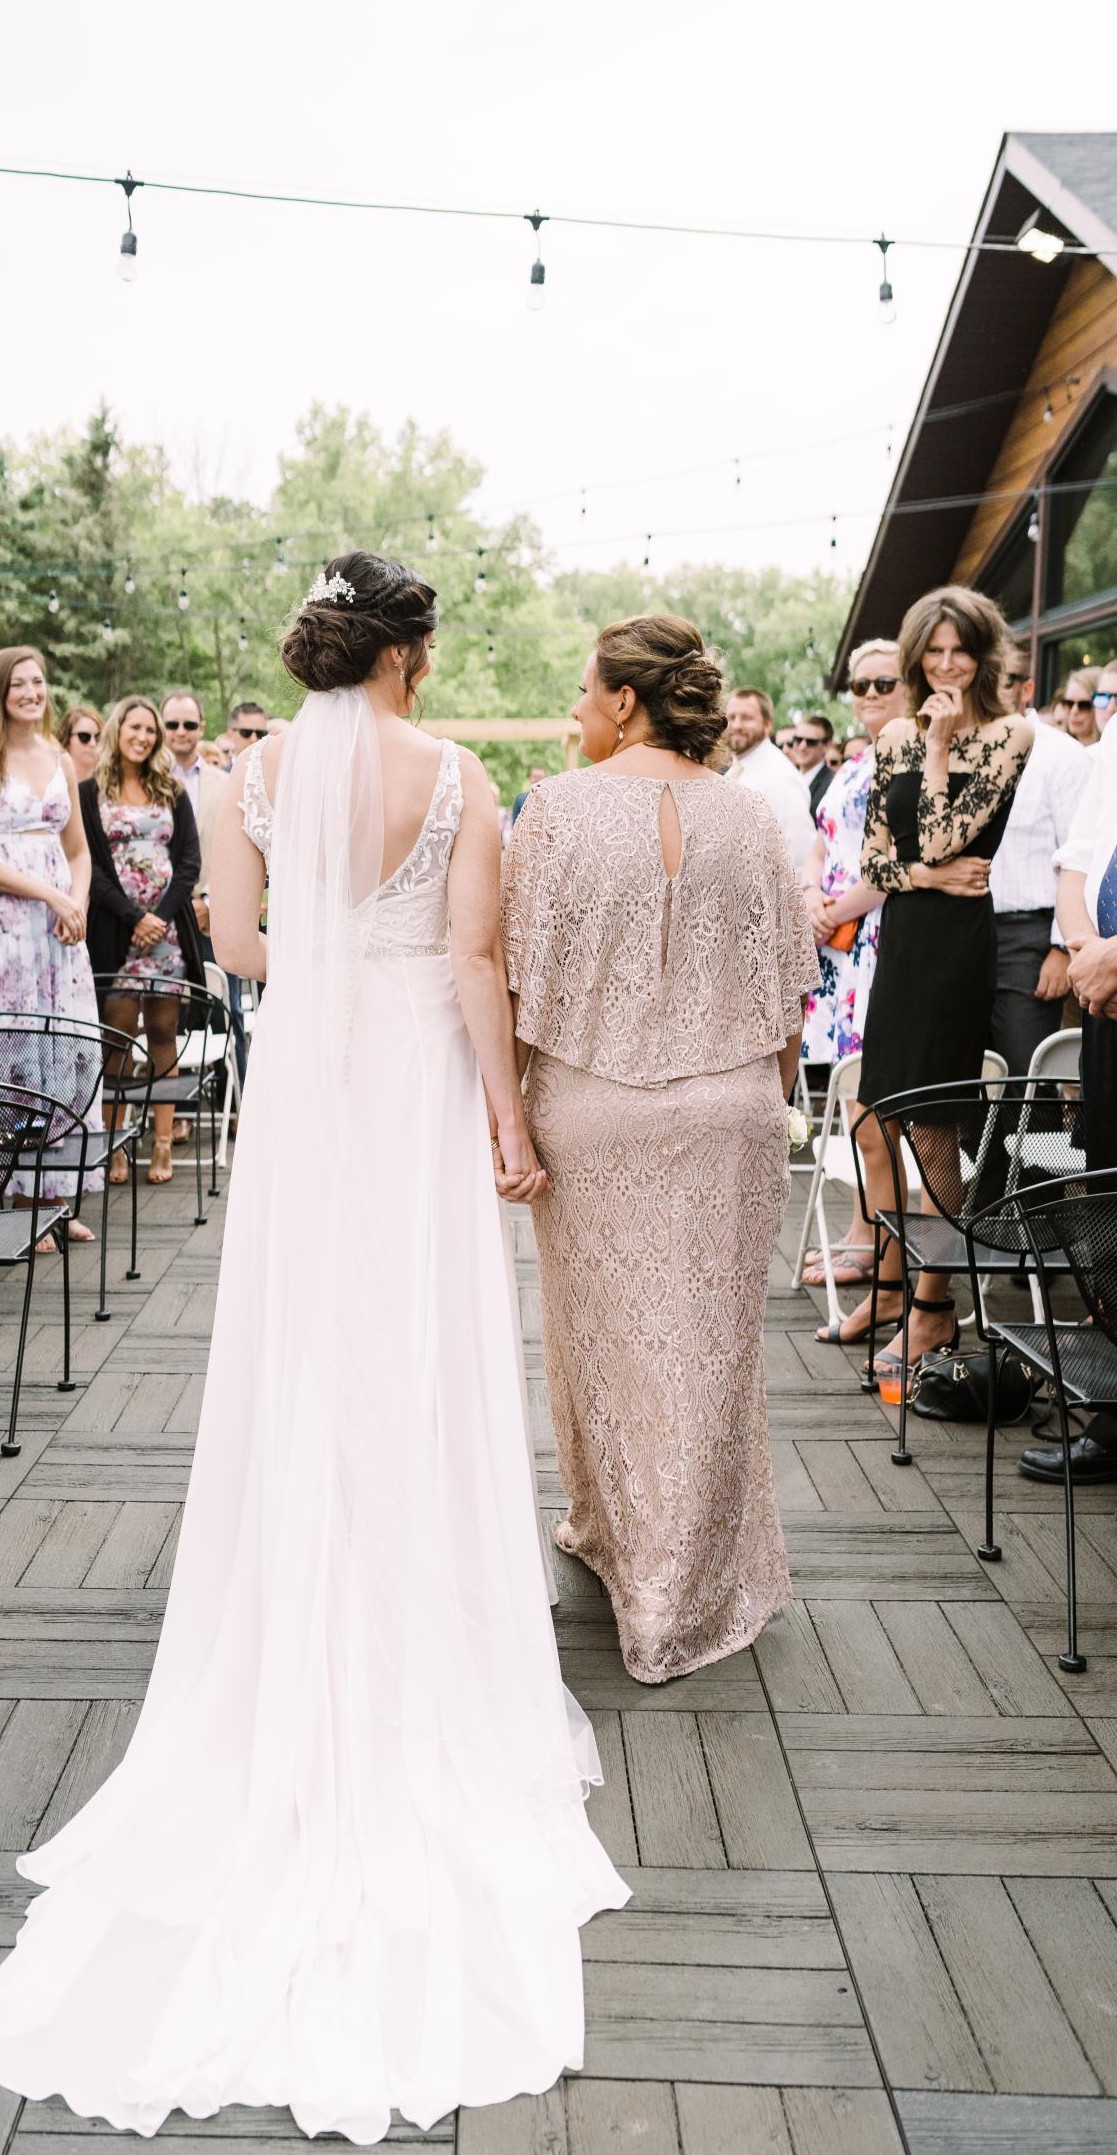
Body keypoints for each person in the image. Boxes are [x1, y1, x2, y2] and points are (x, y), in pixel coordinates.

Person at [0, 549, 628, 2138]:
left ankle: (296, 1612)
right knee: (420, 1337)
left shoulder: (246, 777)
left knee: (309, 1338)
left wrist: (329, 955)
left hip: (313, 1075)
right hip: (420, 1080)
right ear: (410, 652)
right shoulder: (459, 779)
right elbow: (476, 965)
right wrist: (510, 1121)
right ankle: (417, 1620)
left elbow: (239, 952)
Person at [504, 613, 813, 1683]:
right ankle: (674, 1573)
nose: (576, 708)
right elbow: (789, 992)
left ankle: (642, 1569)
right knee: (713, 1354)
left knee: (606, 1342)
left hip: (592, 1109)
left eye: (586, 690)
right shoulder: (752, 814)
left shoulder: (554, 809)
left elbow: (519, 982)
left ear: (626, 699)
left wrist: (506, 1119)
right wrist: (762, 1104)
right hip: (732, 1109)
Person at [842, 585, 1032, 1372]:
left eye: (961, 650)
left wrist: (943, 745)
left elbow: (944, 833)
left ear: (984, 656)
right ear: (918, 656)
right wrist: (925, 876)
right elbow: (878, 860)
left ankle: (934, 1308)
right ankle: (890, 1288)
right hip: (907, 937)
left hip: (958, 948)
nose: (947, 665)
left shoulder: (1010, 735)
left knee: (933, 1128)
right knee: (876, 1115)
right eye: (934, 651)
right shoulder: (892, 735)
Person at [0, 647, 100, 1236]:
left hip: (58, 935)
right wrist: (48, 895)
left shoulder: (59, 756)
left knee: (58, 1053)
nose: (32, 692)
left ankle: (51, 1199)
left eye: (38, 682)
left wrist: (75, 902)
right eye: (18, 684)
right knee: (9, 1057)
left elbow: (79, 850)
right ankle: (4, 1203)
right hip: (1, 932)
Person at [797, 640, 903, 1290]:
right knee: (847, 1096)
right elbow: (821, 842)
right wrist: (811, 895)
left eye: (882, 683)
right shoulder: (856, 761)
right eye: (859, 685)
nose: (867, 694)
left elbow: (895, 864)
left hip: (876, 941)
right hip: (836, 941)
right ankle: (862, 1230)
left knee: (871, 1103)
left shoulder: (910, 756)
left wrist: (835, 909)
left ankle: (878, 1242)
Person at [1030, 712, 1117, 1484]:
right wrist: (1091, 954)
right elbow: (1080, 860)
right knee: (1110, 1196)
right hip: (1105, 1000)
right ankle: (1114, 1421)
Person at [80, 696, 204, 1186]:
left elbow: (189, 862)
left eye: (150, 730)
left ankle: (162, 1141)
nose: (143, 736)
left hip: (166, 933)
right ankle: (115, 1143)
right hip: (116, 929)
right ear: (118, 730)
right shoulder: (90, 792)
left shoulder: (171, 790)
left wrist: (160, 917)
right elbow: (89, 865)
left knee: (162, 1032)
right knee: (116, 1034)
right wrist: (133, 917)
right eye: (135, 727)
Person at [987, 643, 1089, 1078]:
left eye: (999, 679)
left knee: (1025, 1076)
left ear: (1026, 688)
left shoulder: (1061, 754)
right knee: (963, 1079)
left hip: (1030, 940)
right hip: (964, 932)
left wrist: (1062, 948)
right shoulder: (957, 748)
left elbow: (1079, 855)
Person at [162, 688, 245, 1088]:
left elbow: (235, 846)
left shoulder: (224, 782)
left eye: (189, 724)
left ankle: (237, 1101)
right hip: (162, 914)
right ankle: (178, 1106)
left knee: (226, 1009)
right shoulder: (145, 781)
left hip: (214, 912)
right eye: (172, 724)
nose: (181, 731)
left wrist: (209, 898)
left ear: (202, 727)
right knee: (169, 1016)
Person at [724, 686, 815, 868]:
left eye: (747, 718)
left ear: (767, 725)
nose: (736, 725)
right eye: (731, 718)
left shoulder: (781, 777)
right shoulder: (733, 772)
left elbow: (800, 855)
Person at [786, 712, 837, 818]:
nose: (802, 746)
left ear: (827, 746)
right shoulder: (787, 779)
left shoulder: (833, 783)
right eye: (798, 740)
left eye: (811, 742)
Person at [57, 705, 103, 787]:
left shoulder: (109, 785)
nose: (93, 743)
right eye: (84, 737)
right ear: (67, 740)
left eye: (97, 737)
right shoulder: (54, 782)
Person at [1057, 666, 1101, 747]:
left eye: (1084, 705)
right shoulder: (1057, 747)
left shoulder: (1110, 752)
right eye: (1069, 703)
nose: (1074, 711)